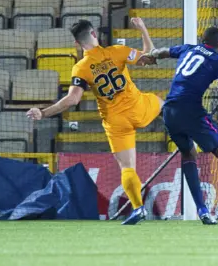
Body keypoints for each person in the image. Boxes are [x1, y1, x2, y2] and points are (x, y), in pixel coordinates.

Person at [26, 18, 161, 225]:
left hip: (115, 122)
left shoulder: (81, 68)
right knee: (161, 102)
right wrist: (143, 28)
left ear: (76, 44)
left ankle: (138, 208)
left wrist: (43, 113)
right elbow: (151, 58)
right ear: (95, 34)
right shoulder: (118, 51)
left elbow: (72, 99)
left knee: (127, 167)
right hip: (138, 108)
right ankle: (186, 125)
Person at [148, 27, 218, 223]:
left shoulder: (187, 49)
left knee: (189, 154)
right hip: (191, 111)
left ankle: (202, 209)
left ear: (202, 39)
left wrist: (152, 55)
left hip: (169, 111)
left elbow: (162, 51)